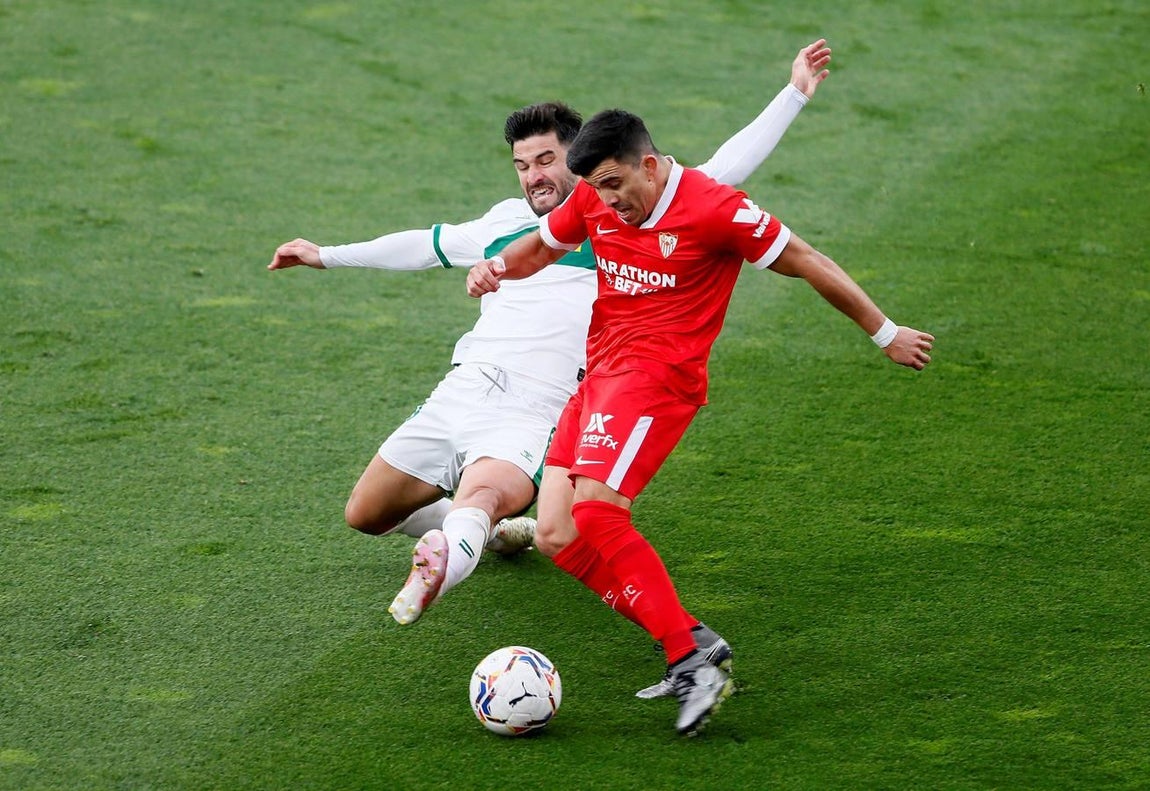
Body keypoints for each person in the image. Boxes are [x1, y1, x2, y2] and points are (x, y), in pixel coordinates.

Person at [269, 43, 832, 638]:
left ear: (581, 157)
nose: (535, 176)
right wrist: (325, 256)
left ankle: (449, 553)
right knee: (367, 513)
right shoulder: (503, 223)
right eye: (523, 165)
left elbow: (728, 164)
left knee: (481, 494)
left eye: (546, 160)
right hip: (464, 384)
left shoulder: (631, 210)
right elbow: (422, 244)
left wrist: (794, 92)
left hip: (543, 402)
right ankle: (480, 534)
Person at [465, 108, 933, 734]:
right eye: (596, 188)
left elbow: (807, 260)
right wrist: (496, 269)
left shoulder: (717, 211)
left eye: (613, 184)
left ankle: (692, 664)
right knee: (554, 533)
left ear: (650, 166)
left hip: (656, 383)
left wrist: (886, 332)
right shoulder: (596, 201)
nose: (605, 201)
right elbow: (541, 247)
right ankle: (692, 639)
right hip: (598, 375)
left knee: (599, 513)